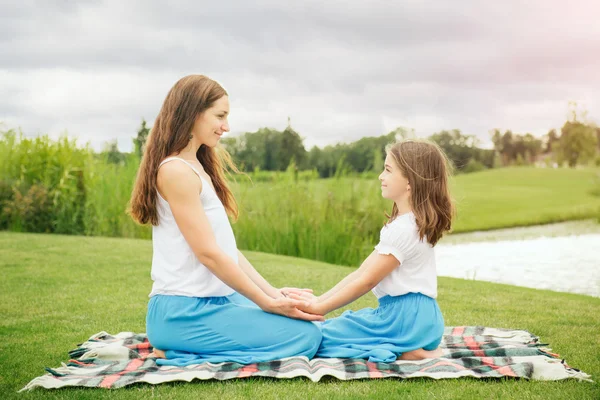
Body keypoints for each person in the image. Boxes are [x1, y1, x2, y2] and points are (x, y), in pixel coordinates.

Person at [128, 74, 323, 367]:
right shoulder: (176, 172)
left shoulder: (197, 167)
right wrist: (266, 302)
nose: (226, 126)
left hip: (214, 302)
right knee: (304, 339)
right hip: (184, 312)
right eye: (220, 116)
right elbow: (208, 254)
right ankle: (177, 351)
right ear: (192, 113)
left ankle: (180, 347)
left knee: (307, 323)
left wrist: (273, 293)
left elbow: (226, 251)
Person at [294, 139, 454, 362]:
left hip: (401, 321)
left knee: (320, 338)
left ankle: (413, 352)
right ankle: (412, 349)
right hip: (426, 321)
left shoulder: (402, 229)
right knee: (341, 326)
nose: (381, 176)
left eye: (388, 170)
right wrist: (319, 302)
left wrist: (319, 308)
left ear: (410, 181)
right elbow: (361, 272)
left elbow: (366, 281)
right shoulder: (414, 224)